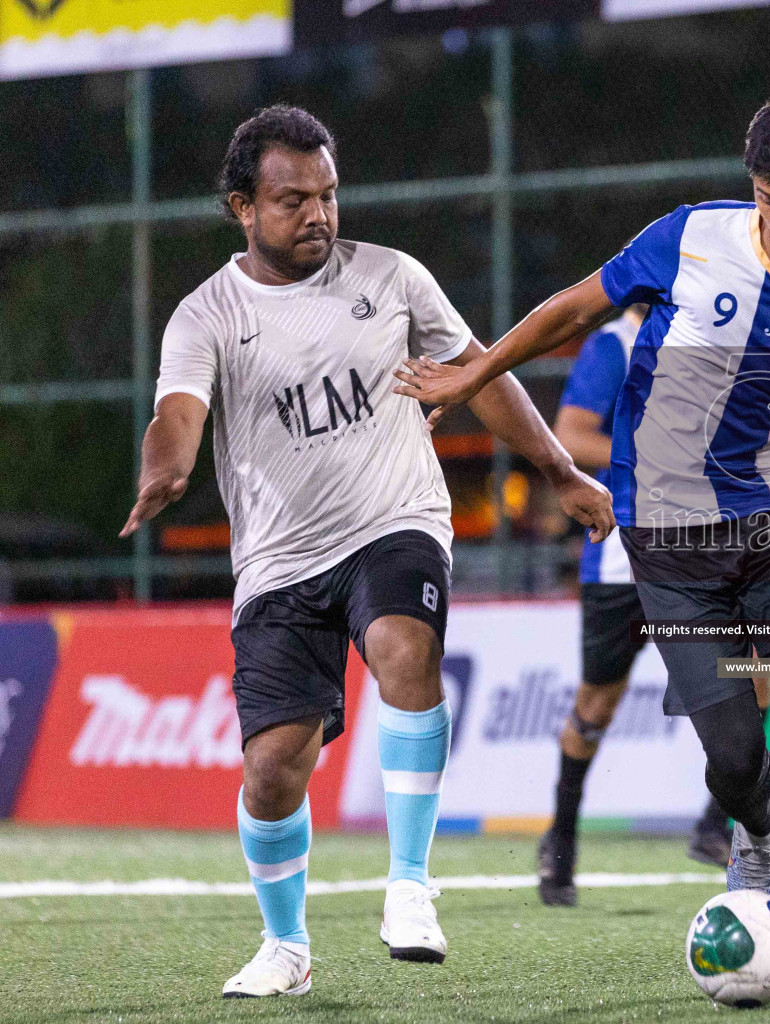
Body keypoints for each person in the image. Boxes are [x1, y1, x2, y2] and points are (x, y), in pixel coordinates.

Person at [393, 95, 770, 1002]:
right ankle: (757, 831)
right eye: (769, 196)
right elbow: (571, 310)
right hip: (667, 543)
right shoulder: (692, 238)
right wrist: (476, 372)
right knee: (735, 759)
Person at [121, 105, 613, 1000]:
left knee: (404, 649)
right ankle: (286, 946)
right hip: (278, 561)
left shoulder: (392, 278)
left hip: (395, 518)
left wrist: (560, 471)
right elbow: (177, 415)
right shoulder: (207, 316)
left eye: (329, 195)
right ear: (242, 207)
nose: (319, 214)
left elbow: (482, 375)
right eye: (293, 200)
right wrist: (167, 467)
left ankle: (412, 885)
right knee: (273, 769)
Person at [538, 305, 770, 906]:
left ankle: (715, 825)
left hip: (704, 554)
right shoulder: (614, 345)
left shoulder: (714, 343)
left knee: (754, 675)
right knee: (596, 705)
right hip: (623, 558)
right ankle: (559, 845)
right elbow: (570, 435)